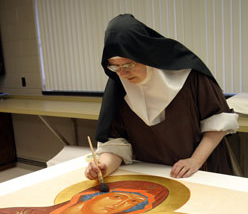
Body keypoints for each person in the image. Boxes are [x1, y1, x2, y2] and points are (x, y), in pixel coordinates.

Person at [85, 14, 239, 180]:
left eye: (129, 64)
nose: (123, 73)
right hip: (155, 175)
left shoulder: (190, 76)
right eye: (115, 66)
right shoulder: (118, 87)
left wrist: (195, 161)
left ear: (145, 54)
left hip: (201, 169)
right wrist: (104, 166)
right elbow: (116, 144)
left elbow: (218, 123)